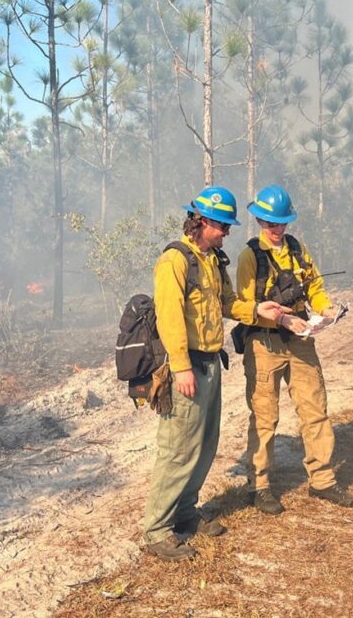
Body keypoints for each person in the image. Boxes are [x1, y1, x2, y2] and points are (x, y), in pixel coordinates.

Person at [141, 185, 293, 561]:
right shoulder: (175, 261)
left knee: (204, 444)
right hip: (186, 366)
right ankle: (158, 530)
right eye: (222, 226)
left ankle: (186, 514)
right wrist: (179, 367)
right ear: (202, 220)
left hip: (210, 363)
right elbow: (170, 317)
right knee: (178, 449)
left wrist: (262, 311)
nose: (227, 232)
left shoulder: (212, 259)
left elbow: (227, 303)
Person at [236, 184, 353, 515]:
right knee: (265, 416)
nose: (277, 229)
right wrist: (282, 321)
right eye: (270, 223)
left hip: (302, 339)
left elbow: (315, 286)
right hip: (265, 343)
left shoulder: (297, 248)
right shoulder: (250, 256)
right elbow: (245, 304)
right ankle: (259, 485)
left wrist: (325, 310)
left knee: (314, 409)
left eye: (282, 223)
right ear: (260, 220)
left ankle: (322, 480)